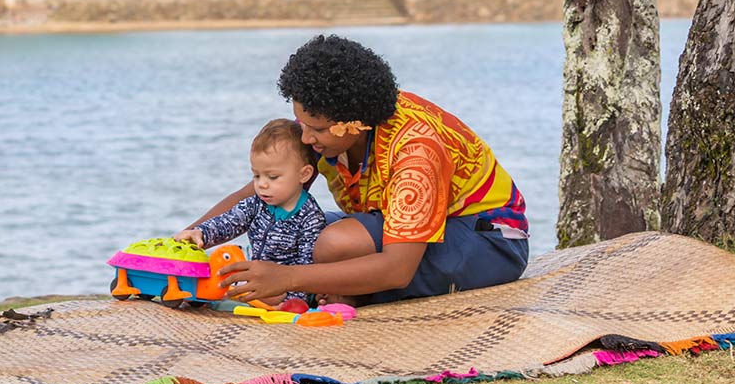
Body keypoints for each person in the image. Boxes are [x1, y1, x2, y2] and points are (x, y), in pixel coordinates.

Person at [200, 35, 530, 307]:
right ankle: (334, 290)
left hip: (489, 239)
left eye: (315, 128)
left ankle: (341, 293)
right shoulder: (327, 133)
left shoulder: (416, 148)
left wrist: (287, 276)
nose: (305, 137)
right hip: (404, 228)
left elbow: (398, 268)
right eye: (301, 123)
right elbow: (261, 192)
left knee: (334, 245)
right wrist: (187, 243)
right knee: (286, 225)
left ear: (357, 123)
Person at [171, 119, 327, 308]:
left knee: (264, 291)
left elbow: (305, 268)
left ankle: (276, 303)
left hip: (284, 287)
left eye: (273, 177)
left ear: (304, 174)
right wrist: (201, 232)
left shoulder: (309, 217)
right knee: (223, 264)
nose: (261, 184)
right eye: (256, 175)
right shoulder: (256, 204)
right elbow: (228, 222)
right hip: (256, 276)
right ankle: (202, 291)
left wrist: (290, 299)